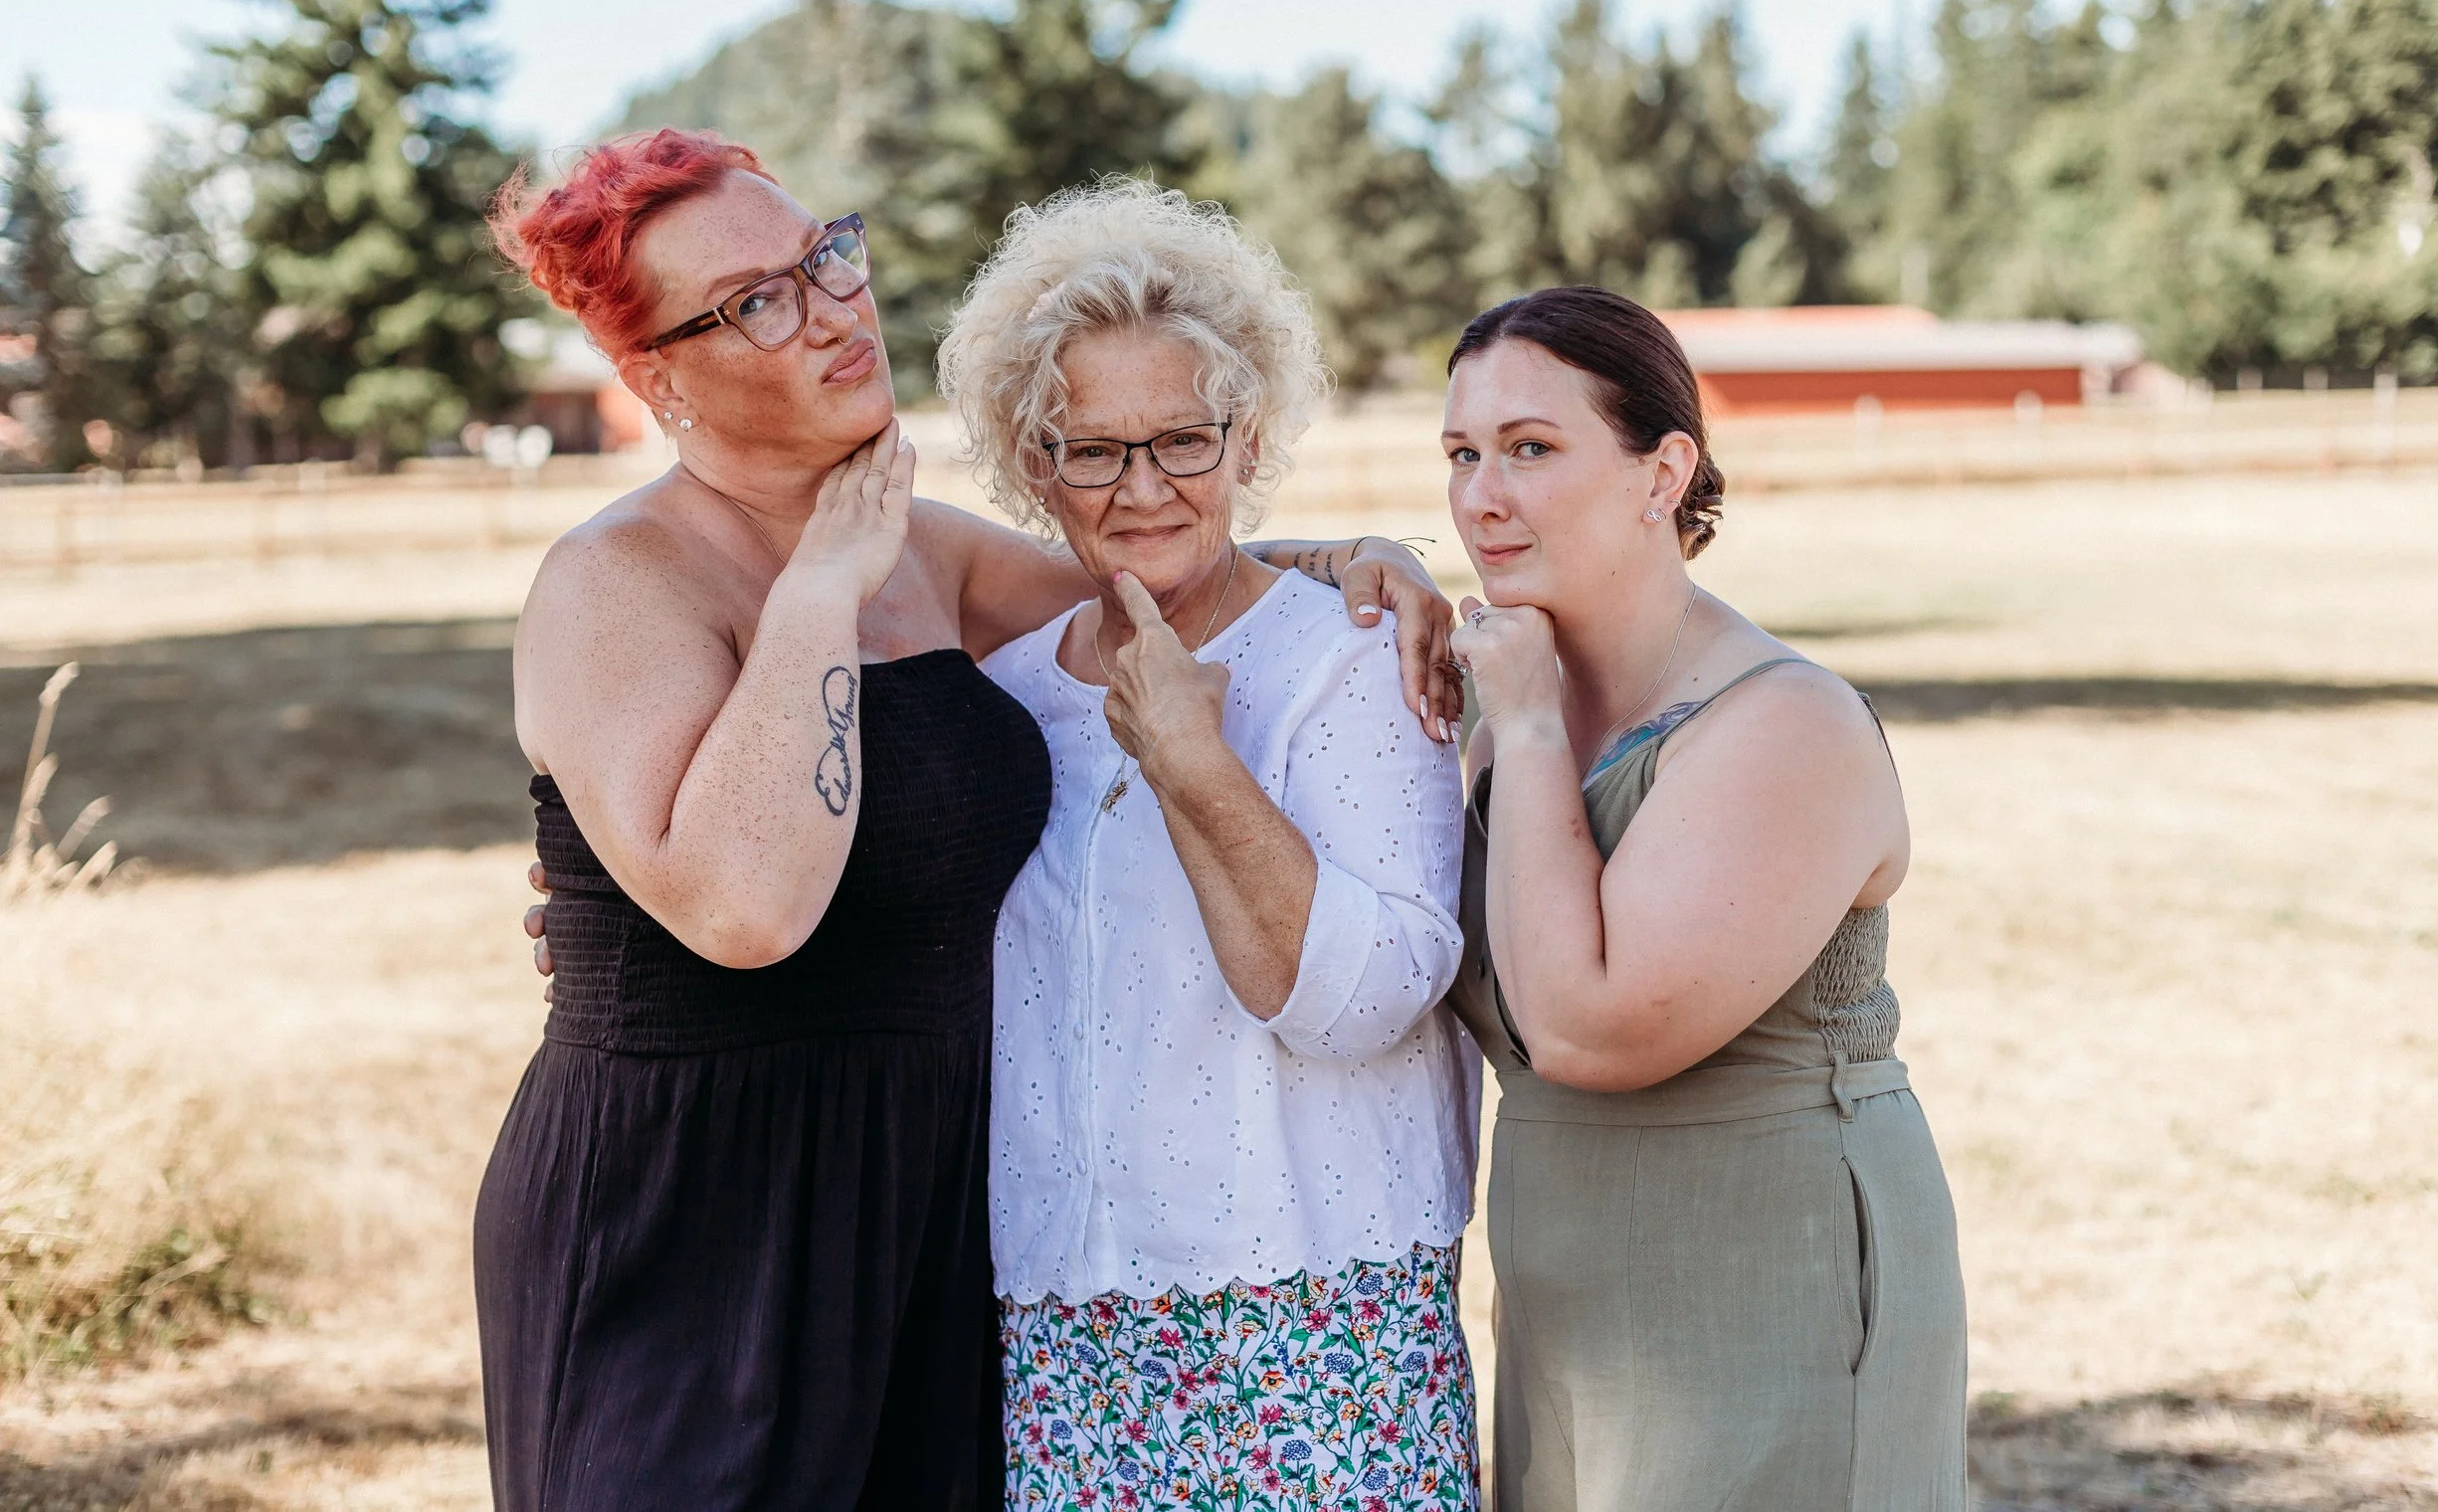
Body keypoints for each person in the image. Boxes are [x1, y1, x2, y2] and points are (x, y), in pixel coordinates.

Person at [476, 129, 1457, 1512]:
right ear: (654, 378)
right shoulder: (616, 582)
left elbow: (1150, 547)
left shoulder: (926, 546)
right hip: (702, 1210)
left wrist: (1368, 556)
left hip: (939, 1209)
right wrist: (819, 588)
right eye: (758, 300)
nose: (832, 312)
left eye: (826, 255)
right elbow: (748, 908)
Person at [942, 180, 1482, 1509]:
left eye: (1183, 439)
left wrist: (1196, 763)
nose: (1143, 488)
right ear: (1030, 462)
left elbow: (1363, 999)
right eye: (1091, 449)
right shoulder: (1010, 696)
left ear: (1250, 438)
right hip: (1066, 1321)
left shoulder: (1349, 662)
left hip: (1316, 1313)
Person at [1441, 286, 1969, 1511]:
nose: (1482, 495)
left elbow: (1583, 1026)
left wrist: (1519, 725)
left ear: (1661, 469)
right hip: (1574, 1305)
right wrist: (1349, 564)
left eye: (1531, 448)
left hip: (1768, 1270)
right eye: (1462, 454)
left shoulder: (1785, 722)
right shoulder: (1501, 690)